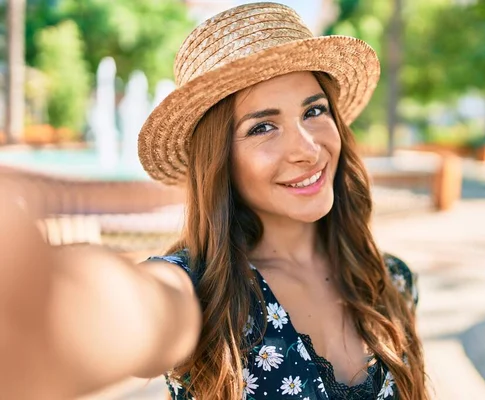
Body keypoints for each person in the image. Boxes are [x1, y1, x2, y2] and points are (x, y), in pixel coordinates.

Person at [0, 2, 426, 399]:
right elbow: (128, 311)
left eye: (314, 111)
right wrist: (46, 309)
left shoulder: (389, 281)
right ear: (219, 158)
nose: (308, 149)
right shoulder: (204, 293)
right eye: (263, 127)